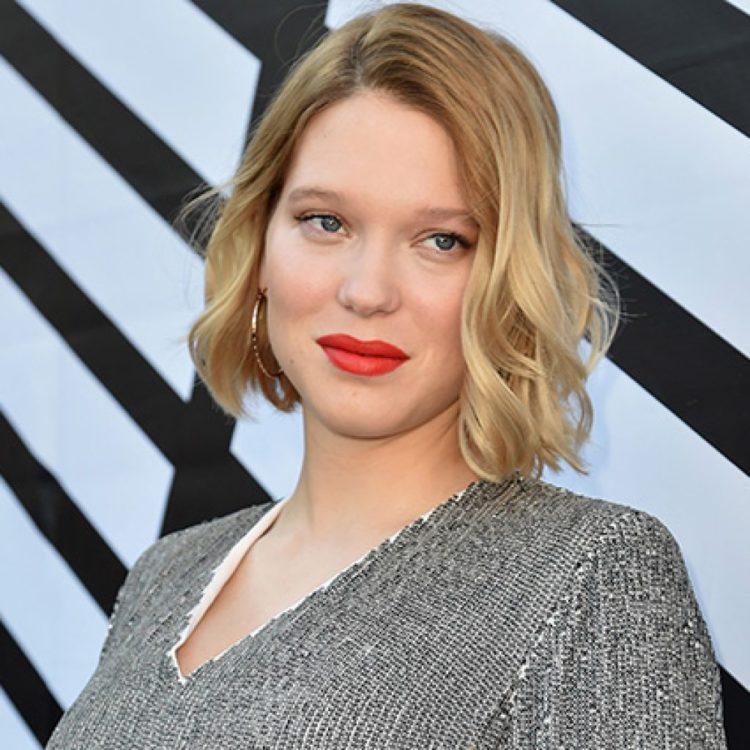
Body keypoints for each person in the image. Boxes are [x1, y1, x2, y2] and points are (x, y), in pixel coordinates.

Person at [46, 3, 728, 748]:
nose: (367, 291)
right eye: (325, 222)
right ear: (260, 241)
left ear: (508, 278)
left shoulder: (589, 576)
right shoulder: (164, 575)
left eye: (442, 240)